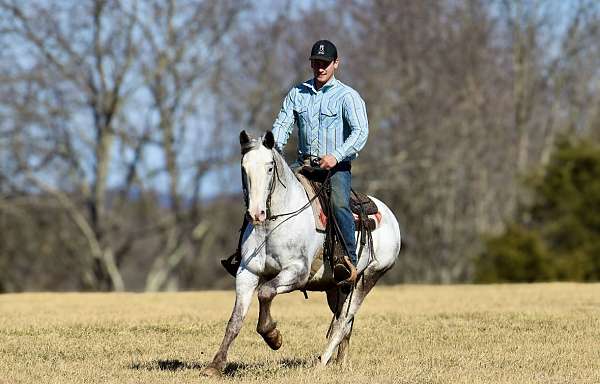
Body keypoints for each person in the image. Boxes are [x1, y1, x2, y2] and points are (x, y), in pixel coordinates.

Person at [222, 40, 369, 283]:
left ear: (336, 64)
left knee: (339, 204)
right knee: (262, 191)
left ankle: (347, 260)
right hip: (303, 164)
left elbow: (360, 132)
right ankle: (243, 254)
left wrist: (336, 156)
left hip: (335, 167)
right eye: (315, 63)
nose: (320, 68)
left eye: (325, 63)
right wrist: (268, 150)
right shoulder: (297, 93)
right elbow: (281, 126)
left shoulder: (348, 97)